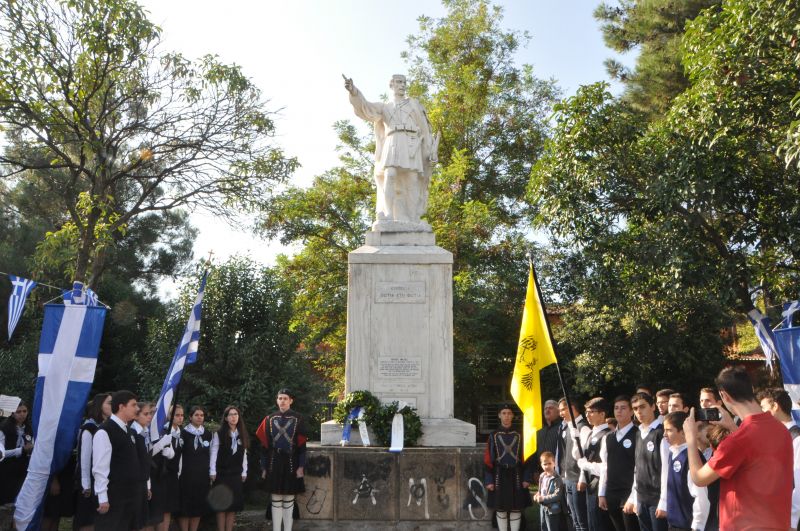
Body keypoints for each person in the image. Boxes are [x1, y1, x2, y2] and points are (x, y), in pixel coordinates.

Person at [683, 366, 793, 530]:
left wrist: (690, 439)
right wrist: (733, 427)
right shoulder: (781, 429)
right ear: (752, 389)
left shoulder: (737, 440)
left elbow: (699, 478)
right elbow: (754, 452)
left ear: (724, 396)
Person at [344, 73, 437, 224]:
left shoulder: (414, 104)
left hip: (412, 141)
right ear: (392, 85)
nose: (402, 85)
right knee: (390, 174)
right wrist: (354, 92)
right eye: (399, 82)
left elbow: (425, 129)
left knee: (412, 179)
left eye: (404, 82)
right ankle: (388, 214)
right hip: (393, 140)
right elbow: (365, 108)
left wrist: (430, 149)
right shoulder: (384, 106)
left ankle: (413, 217)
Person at [256, 389, 307, 531]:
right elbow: (264, 447)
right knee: (276, 499)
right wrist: (264, 468)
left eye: (285, 398)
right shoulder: (269, 419)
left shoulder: (299, 419)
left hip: (292, 462)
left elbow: (302, 446)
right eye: (280, 398)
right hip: (274, 462)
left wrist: (301, 466)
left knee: (289, 500)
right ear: (277, 400)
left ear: (291, 400)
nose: (282, 401)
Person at [92, 390, 141, 531]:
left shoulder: (128, 431)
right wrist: (102, 497)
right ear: (121, 407)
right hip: (114, 496)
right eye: (133, 405)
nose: (137, 409)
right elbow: (100, 467)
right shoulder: (105, 431)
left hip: (131, 494)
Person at [483, 403, 531, 531]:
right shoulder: (493, 435)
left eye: (509, 413)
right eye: (504, 413)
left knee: (516, 507)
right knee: (500, 508)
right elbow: (488, 460)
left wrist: (526, 478)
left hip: (517, 474)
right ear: (499, 415)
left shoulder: (521, 434)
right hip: (499, 474)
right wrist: (489, 480)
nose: (506, 416)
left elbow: (527, 458)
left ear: (513, 415)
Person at [758, 388, 800, 529]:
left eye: (763, 408)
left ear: (775, 406)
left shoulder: (796, 439)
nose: (762, 413)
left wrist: (792, 522)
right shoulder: (779, 437)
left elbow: (798, 485)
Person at [626, 393, 668, 531]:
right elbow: (637, 468)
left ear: (653, 407)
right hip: (642, 497)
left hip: (657, 499)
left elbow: (666, 470)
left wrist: (664, 501)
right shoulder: (638, 433)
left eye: (642, 407)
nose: (639, 411)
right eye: (636, 408)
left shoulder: (661, 433)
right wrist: (633, 497)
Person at [598, 396, 640, 531]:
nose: (619, 411)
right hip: (611, 493)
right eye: (616, 408)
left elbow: (639, 469)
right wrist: (602, 493)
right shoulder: (608, 437)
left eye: (623, 408)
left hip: (629, 493)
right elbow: (605, 466)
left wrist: (633, 497)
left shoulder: (638, 434)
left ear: (631, 411)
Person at [662, 412, 709, 531]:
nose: (664, 434)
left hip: (688, 526)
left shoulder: (692, 457)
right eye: (664, 430)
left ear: (683, 432)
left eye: (669, 430)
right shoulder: (673, 453)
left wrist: (697, 526)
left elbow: (701, 495)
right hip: (673, 524)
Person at [74, 393, 112, 531]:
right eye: (109, 403)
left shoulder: (107, 426)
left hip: (102, 477)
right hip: (89, 479)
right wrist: (86, 484)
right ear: (99, 405)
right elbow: (84, 458)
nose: (112, 406)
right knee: (88, 518)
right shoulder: (89, 428)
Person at [210, 405, 249, 531]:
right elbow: (214, 453)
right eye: (231, 415)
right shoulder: (219, 434)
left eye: (236, 414)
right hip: (222, 474)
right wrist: (212, 471)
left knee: (232, 507)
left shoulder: (241, 433)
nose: (233, 417)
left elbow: (244, 455)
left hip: (236, 474)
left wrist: (244, 471)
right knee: (221, 507)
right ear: (226, 418)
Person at [575, 397, 611, 531]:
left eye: (591, 412)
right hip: (591, 484)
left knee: (599, 524)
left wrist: (586, 466)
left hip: (601, 486)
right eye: (586, 412)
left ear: (602, 414)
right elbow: (583, 457)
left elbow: (605, 466)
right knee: (591, 523)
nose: (587, 415)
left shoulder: (607, 435)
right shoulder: (591, 433)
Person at [559, 397, 590, 531]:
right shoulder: (568, 427)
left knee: (582, 521)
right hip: (569, 478)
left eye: (562, 410)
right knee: (574, 519)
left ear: (571, 408)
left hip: (578, 480)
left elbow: (585, 457)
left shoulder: (583, 427)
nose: (560, 414)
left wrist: (582, 478)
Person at [179, 405, 212, 531]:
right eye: (196, 415)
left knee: (198, 506)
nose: (199, 417)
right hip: (186, 475)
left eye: (201, 415)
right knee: (186, 507)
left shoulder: (208, 434)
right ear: (190, 417)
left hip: (202, 476)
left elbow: (210, 454)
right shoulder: (183, 433)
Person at [0, 402, 34, 504]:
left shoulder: (29, 428)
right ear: (12, 413)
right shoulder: (4, 429)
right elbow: (1, 453)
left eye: (24, 411)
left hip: (22, 470)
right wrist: (21, 450)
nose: (22, 414)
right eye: (18, 412)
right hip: (5, 470)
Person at [157, 404, 184, 531]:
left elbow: (180, 457)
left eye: (182, 415)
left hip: (174, 475)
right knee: (161, 509)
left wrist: (178, 472)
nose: (180, 418)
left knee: (168, 509)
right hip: (162, 474)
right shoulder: (163, 431)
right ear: (169, 416)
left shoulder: (180, 433)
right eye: (177, 415)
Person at [130, 401, 155, 531]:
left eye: (150, 413)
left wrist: (148, 485)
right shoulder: (132, 433)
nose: (149, 416)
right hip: (133, 484)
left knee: (142, 520)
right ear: (136, 415)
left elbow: (146, 461)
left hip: (143, 482)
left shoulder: (145, 432)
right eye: (146, 414)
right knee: (134, 521)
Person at [536, 451, 564, 531]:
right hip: (543, 508)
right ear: (541, 465)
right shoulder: (542, 476)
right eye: (545, 464)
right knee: (543, 526)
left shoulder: (557, 479)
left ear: (554, 463)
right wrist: (537, 495)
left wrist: (543, 498)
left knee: (551, 528)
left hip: (553, 510)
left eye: (549, 463)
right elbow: (540, 490)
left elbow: (558, 495)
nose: (547, 466)